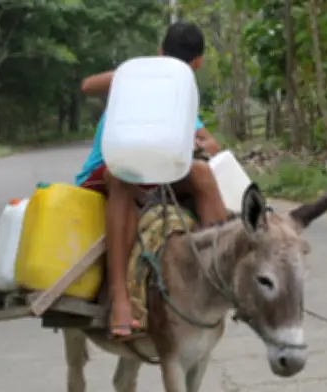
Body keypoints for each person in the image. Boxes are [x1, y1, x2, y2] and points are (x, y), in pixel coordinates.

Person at [75, 22, 228, 339]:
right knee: (122, 176)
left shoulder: (183, 93)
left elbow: (211, 144)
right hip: (114, 168)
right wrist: (132, 75)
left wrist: (198, 144)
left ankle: (220, 275)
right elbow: (88, 85)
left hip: (161, 171)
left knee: (202, 173)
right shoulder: (134, 81)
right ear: (199, 62)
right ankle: (121, 297)